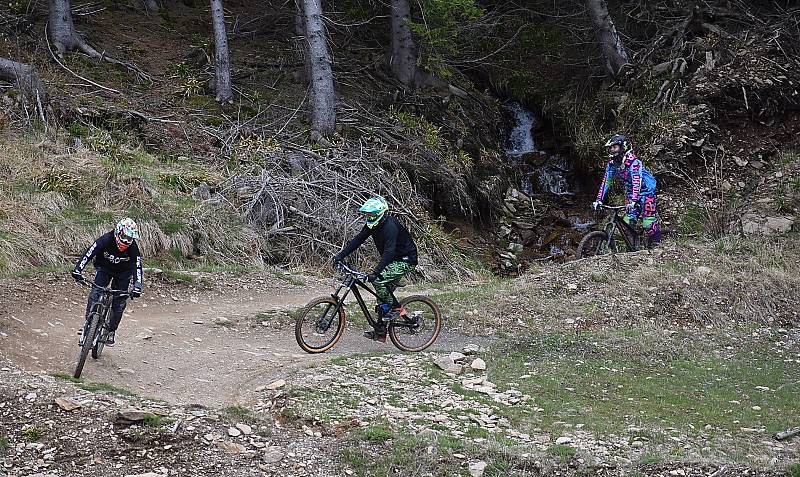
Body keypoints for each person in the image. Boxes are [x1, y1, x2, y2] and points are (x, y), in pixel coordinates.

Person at [333, 196, 418, 342]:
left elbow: (389, 252)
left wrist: (376, 272)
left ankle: (396, 309)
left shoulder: (390, 226)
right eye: (367, 214)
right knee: (382, 296)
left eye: (372, 214)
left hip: (405, 259)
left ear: (380, 214)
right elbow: (358, 240)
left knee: (379, 282)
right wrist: (340, 255)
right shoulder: (372, 225)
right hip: (392, 260)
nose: (369, 217)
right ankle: (380, 331)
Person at [71, 218, 143, 346]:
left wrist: (137, 286)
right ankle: (88, 324)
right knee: (95, 294)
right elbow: (89, 252)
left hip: (123, 274)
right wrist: (78, 269)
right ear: (118, 232)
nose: (126, 241)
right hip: (104, 269)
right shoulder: (106, 239)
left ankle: (111, 331)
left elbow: (137, 266)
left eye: (130, 239)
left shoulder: (133, 249)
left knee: (119, 304)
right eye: (125, 237)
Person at [592, 134, 661, 245]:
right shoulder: (612, 164)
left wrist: (634, 200)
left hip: (647, 193)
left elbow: (636, 181)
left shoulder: (633, 162)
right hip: (631, 195)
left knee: (648, 223)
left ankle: (658, 245)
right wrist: (599, 199)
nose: (611, 150)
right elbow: (606, 182)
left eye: (614, 147)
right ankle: (633, 248)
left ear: (623, 147)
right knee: (627, 223)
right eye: (610, 148)